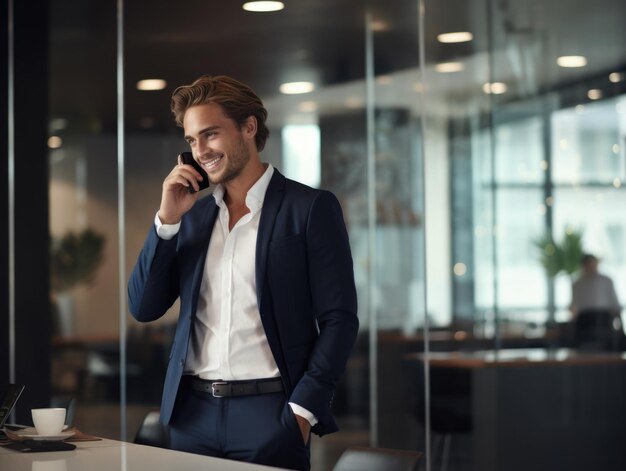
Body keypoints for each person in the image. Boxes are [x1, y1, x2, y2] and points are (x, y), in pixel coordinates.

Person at [127, 75, 359, 470]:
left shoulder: (309, 209)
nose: (200, 151)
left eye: (211, 134)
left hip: (270, 414)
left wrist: (302, 412)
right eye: (191, 141)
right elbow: (144, 306)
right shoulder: (193, 216)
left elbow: (339, 319)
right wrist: (166, 221)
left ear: (249, 128)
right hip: (191, 417)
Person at [570, 254, 622, 350]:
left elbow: (615, 304)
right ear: (583, 266)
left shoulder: (606, 280)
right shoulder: (577, 283)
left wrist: (620, 325)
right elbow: (574, 307)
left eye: (593, 264)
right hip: (584, 321)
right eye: (588, 265)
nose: (591, 267)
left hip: (603, 319)